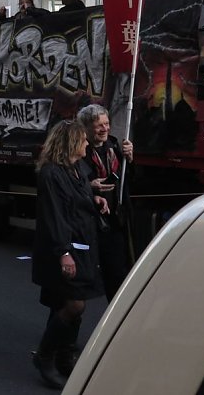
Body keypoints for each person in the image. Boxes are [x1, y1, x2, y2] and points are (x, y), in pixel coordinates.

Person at [32, 120, 108, 388]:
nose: (87, 143)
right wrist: (64, 252)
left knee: (65, 303)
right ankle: (45, 356)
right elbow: (54, 215)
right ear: (71, 143)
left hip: (83, 244)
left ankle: (65, 356)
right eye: (83, 140)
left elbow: (80, 197)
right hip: (64, 247)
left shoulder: (77, 169)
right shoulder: (52, 174)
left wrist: (95, 199)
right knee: (74, 303)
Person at [76, 104, 133, 301]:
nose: (105, 129)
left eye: (107, 123)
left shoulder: (114, 146)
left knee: (117, 272)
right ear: (85, 127)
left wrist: (129, 158)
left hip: (114, 219)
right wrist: (89, 186)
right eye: (99, 125)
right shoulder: (78, 151)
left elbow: (126, 180)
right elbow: (70, 181)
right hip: (91, 221)